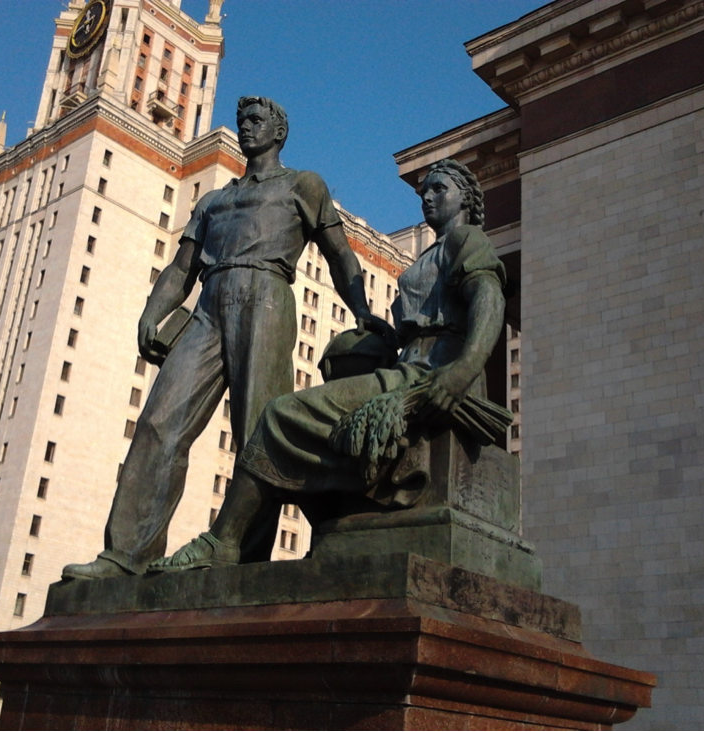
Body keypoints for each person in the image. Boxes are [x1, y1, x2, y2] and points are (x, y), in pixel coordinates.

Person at [63, 97, 391, 579]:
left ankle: (242, 553)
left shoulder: (303, 184)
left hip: (267, 297)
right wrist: (153, 314)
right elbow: (181, 269)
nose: (246, 129)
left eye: (257, 121)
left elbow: (339, 254)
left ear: (279, 131)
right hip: (209, 304)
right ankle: (127, 555)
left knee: (258, 431)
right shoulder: (214, 200)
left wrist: (362, 313)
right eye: (242, 122)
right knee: (159, 422)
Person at [153, 158, 507, 571]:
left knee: (280, 416)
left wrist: (463, 371)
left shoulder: (467, 240)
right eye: (424, 190)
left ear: (465, 197)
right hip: (404, 369)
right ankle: (331, 527)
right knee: (308, 431)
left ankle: (224, 541)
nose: (427, 197)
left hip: (430, 373)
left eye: (439, 189)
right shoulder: (431, 254)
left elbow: (489, 298)